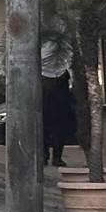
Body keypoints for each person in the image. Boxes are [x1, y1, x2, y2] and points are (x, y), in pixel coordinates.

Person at [40, 40, 77, 168]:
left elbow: (69, 54)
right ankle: (43, 155)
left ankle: (57, 156)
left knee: (59, 122)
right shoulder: (41, 31)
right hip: (43, 75)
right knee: (43, 120)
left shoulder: (64, 35)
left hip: (60, 76)